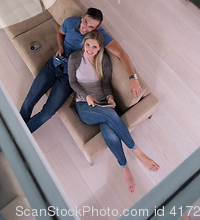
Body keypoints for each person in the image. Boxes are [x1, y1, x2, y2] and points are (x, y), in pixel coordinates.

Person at [20, 7, 142, 133]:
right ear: (82, 17)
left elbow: (121, 53)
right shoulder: (70, 22)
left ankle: (20, 135)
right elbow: (60, 33)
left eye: (91, 27)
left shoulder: (98, 36)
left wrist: (133, 77)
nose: (86, 28)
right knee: (29, 100)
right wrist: (61, 47)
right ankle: (15, 126)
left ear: (96, 28)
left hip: (68, 77)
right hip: (53, 64)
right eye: (85, 22)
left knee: (46, 113)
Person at [68, 30, 159, 194]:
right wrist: (86, 96)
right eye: (87, 44)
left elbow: (106, 84)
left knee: (110, 134)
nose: (89, 49)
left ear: (99, 47)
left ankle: (125, 168)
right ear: (84, 43)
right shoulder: (75, 58)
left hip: (103, 103)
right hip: (85, 105)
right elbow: (72, 82)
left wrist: (109, 97)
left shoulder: (104, 60)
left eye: (94, 46)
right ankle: (137, 152)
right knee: (110, 115)